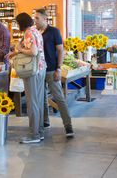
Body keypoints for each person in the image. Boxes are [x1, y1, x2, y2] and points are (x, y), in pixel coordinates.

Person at [34, 9, 74, 137]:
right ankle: (45, 122)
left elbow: (61, 51)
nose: (35, 20)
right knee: (42, 98)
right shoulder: (35, 33)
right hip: (39, 71)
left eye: (37, 18)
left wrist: (58, 68)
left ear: (45, 19)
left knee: (59, 98)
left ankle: (68, 126)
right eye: (34, 18)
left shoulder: (54, 32)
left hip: (51, 70)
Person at [8, 13, 46, 144]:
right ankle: (39, 131)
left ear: (21, 23)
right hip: (41, 69)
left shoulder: (28, 33)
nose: (16, 26)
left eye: (17, 23)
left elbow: (33, 52)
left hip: (32, 71)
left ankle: (34, 134)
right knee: (38, 101)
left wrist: (19, 49)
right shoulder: (36, 31)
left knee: (32, 103)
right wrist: (18, 50)